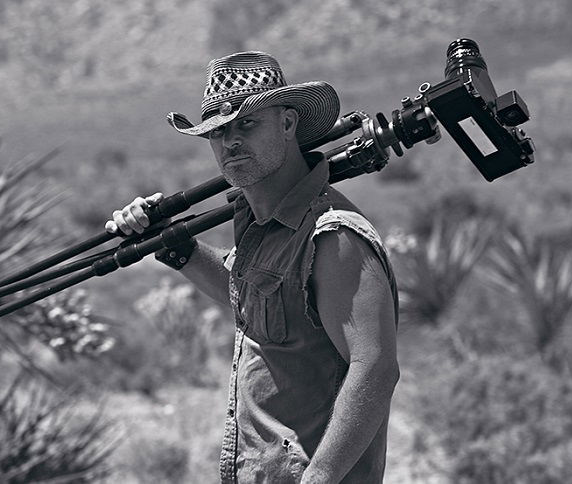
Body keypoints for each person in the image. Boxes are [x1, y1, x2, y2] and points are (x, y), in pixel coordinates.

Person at [106, 52, 399, 484]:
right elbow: (253, 300)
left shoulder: (334, 235)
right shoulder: (260, 225)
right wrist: (171, 243)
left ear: (287, 124)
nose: (231, 142)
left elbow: (374, 368)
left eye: (247, 123)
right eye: (218, 131)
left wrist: (318, 478)